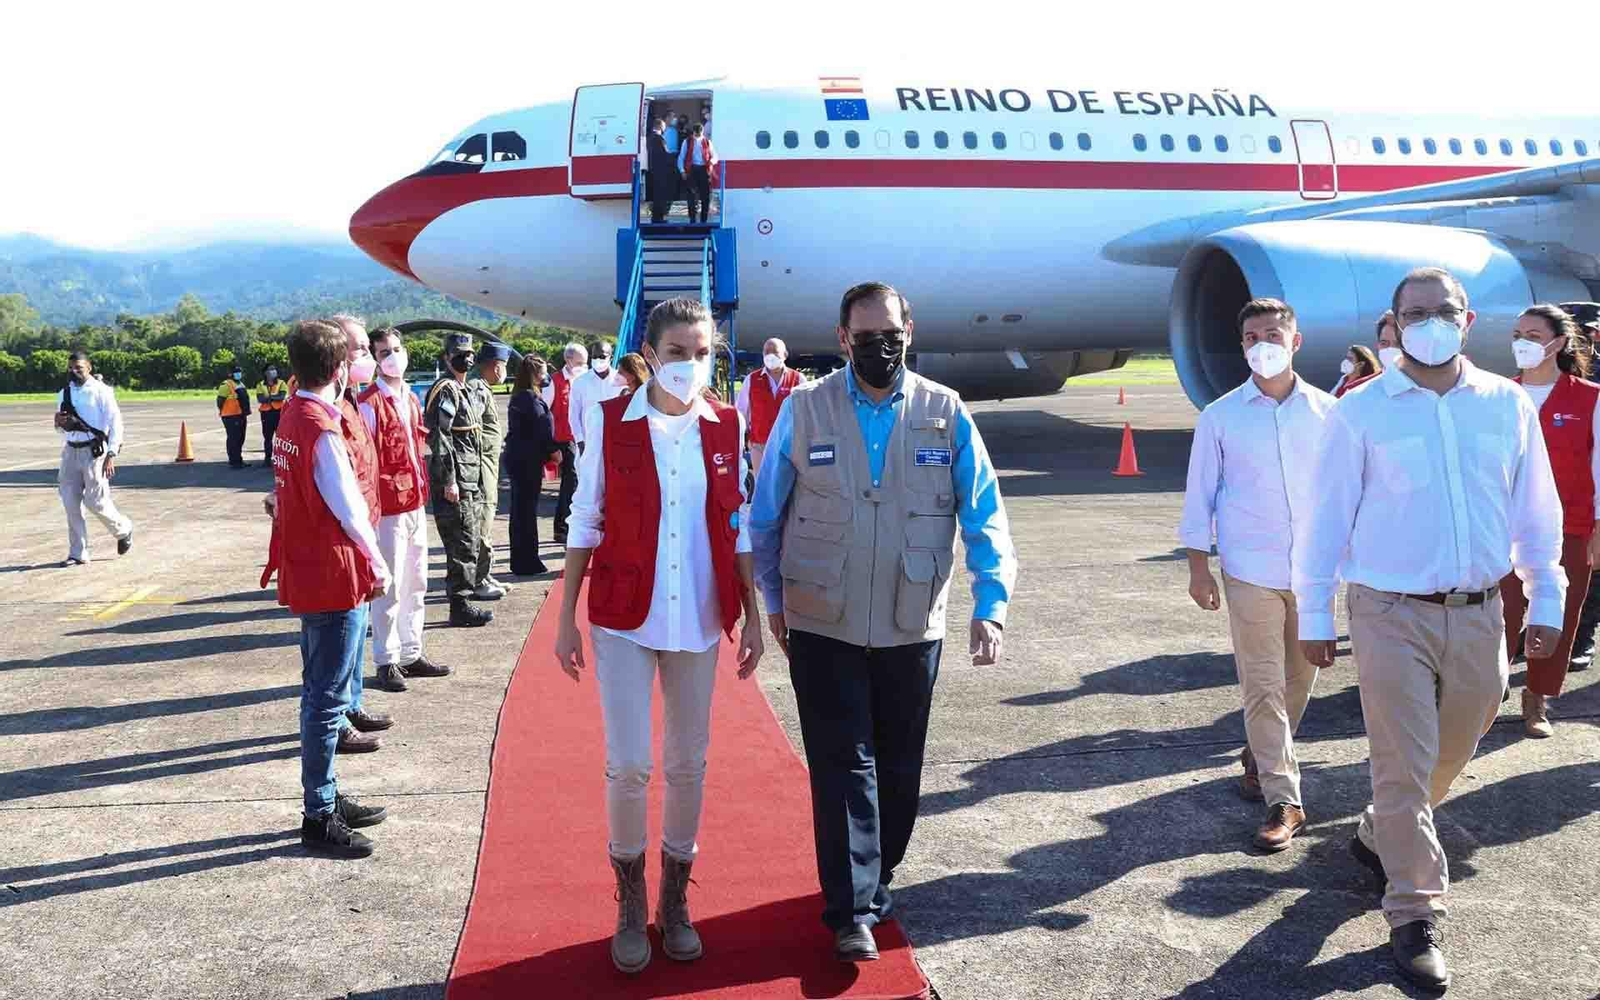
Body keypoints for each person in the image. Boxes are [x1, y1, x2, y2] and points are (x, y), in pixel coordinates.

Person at [1295, 267, 1565, 991]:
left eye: (1442, 311)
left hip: (1481, 612)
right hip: (1388, 613)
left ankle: (1378, 832)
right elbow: (1324, 521)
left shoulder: (1505, 404)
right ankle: (1413, 911)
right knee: (1403, 764)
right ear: (1395, 322)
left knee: (1460, 742)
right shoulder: (1360, 411)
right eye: (1415, 313)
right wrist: (1315, 612)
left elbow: (1536, 511)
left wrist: (1545, 599)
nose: (1429, 323)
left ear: (1467, 320)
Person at [750, 282, 1017, 962]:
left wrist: (991, 605)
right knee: (843, 764)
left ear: (910, 330)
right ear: (843, 341)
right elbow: (764, 513)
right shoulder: (805, 410)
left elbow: (983, 513)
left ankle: (876, 875)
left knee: (898, 768)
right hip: (823, 619)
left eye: (890, 335)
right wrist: (773, 602)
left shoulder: (945, 412)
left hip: (910, 620)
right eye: (866, 338)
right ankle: (852, 908)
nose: (880, 348)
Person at [554, 297, 764, 976]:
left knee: (688, 762)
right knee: (630, 762)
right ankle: (628, 899)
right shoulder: (611, 421)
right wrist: (565, 618)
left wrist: (753, 615)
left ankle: (674, 901)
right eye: (678, 352)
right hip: (623, 614)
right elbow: (585, 518)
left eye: (704, 353)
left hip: (699, 614)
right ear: (649, 353)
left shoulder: (724, 424)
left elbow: (737, 524)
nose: (692, 365)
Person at [1180, 298, 1336, 852]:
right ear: (1242, 345)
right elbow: (1200, 494)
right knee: (1262, 684)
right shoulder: (1220, 416)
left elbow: (1348, 493)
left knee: (1302, 679)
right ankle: (1283, 797)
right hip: (1249, 568)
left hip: (1315, 572)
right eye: (1251, 336)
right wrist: (1199, 567)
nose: (1262, 343)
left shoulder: (1329, 413)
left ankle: (1260, 752)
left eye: (1273, 333)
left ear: (1296, 341)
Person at [263, 318, 392, 858]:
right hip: (335, 573)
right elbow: (349, 506)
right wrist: (378, 562)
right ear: (339, 369)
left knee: (319, 688)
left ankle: (328, 797)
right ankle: (318, 813)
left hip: (309, 568)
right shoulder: (321, 424)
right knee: (327, 698)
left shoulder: (292, 413)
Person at [1502, 304, 1598, 737]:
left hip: (1570, 527)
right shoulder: (1500, 394)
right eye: (1518, 333)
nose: (1522, 342)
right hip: (1504, 526)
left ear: (1558, 343)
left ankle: (1537, 698)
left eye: (1534, 335)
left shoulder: (1590, 397)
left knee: (1557, 614)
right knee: (1496, 614)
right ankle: (1487, 690)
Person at [359, 328, 455, 694]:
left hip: (415, 502)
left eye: (396, 350)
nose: (392, 357)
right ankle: (387, 659)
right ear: (374, 359)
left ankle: (412, 650)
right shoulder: (369, 404)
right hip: (387, 508)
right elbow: (365, 460)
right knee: (391, 586)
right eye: (384, 352)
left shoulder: (411, 398)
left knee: (417, 581)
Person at [325, 315, 392, 752]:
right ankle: (339, 720)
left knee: (360, 628)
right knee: (339, 641)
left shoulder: (349, 399)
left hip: (364, 528)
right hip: (344, 540)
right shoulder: (323, 407)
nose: (365, 356)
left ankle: (353, 704)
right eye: (359, 348)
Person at [424, 334, 495, 627]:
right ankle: (460, 604)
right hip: (457, 482)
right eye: (459, 353)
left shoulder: (464, 388)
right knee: (462, 545)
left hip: (471, 478)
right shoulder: (446, 391)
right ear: (446, 357)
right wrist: (448, 480)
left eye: (469, 353)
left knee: (471, 542)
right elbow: (440, 438)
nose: (465, 358)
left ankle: (463, 600)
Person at [54, 351, 133, 566]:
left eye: (79, 367)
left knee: (95, 501)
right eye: (71, 368)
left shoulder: (101, 391)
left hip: (94, 453)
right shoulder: (64, 393)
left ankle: (123, 529)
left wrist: (112, 453)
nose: (74, 371)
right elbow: (61, 428)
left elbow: (115, 423)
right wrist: (59, 423)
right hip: (70, 452)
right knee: (70, 502)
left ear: (88, 367)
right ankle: (78, 552)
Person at [506, 356, 559, 575]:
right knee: (525, 513)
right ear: (534, 374)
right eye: (543, 372)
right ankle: (526, 562)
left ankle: (523, 559)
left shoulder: (523, 396)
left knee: (522, 511)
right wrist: (553, 451)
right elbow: (541, 428)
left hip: (522, 459)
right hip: (525, 461)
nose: (546, 376)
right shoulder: (528, 399)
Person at [472, 341, 513, 601]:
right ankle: (478, 580)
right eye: (503, 367)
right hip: (480, 466)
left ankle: (485, 575)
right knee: (482, 524)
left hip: (487, 464)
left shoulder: (482, 386)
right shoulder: (477, 388)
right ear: (495, 367)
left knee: (486, 522)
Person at [735, 337, 805, 479]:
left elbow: (805, 413)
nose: (770, 355)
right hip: (759, 445)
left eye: (775, 352)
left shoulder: (798, 379)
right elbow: (741, 412)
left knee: (787, 486)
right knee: (763, 487)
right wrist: (741, 439)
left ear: (784, 355)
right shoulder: (752, 380)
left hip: (788, 444)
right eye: (767, 352)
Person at [542, 342, 587, 542]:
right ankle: (562, 527)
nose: (583, 366)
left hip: (581, 439)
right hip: (564, 440)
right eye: (580, 362)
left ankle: (567, 525)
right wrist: (550, 446)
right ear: (568, 361)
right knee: (571, 483)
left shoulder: (584, 380)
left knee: (576, 484)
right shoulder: (555, 381)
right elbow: (544, 413)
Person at [567, 339, 629, 457]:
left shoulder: (621, 381)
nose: (598, 359)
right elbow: (573, 416)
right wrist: (580, 441)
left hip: (614, 445)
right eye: (595, 356)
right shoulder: (580, 382)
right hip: (588, 447)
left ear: (610, 358)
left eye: (602, 356)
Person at [1339, 311, 1402, 396]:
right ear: (1377, 345)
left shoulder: (1424, 386)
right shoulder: (1357, 391)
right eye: (1384, 343)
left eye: (1397, 343)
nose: (1390, 349)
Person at [677, 123, 717, 224]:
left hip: (704, 169)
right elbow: (681, 157)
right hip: (691, 170)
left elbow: (715, 156)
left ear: (702, 132)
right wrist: (682, 171)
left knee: (705, 196)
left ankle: (704, 219)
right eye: (696, 133)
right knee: (691, 196)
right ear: (693, 132)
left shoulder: (707, 142)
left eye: (700, 133)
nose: (698, 136)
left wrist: (711, 161)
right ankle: (692, 219)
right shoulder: (687, 141)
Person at [217, 364, 253, 469]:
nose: (238, 374)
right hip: (230, 416)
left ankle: (238, 459)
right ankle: (234, 461)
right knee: (234, 438)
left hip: (240, 414)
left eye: (239, 372)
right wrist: (223, 411)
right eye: (236, 372)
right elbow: (220, 401)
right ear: (230, 374)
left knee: (240, 438)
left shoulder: (240, 383)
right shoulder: (226, 385)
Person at [646, 119, 677, 224]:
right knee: (660, 194)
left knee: (656, 194)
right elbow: (665, 155)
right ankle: (658, 218)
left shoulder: (649, 138)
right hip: (661, 170)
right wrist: (676, 155)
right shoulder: (659, 139)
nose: (664, 129)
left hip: (653, 169)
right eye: (663, 126)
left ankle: (656, 217)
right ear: (660, 126)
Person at [256, 366, 289, 462]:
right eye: (270, 370)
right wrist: (274, 397)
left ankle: (281, 458)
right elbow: (260, 399)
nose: (273, 372)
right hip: (266, 413)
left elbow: (281, 397)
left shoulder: (281, 383)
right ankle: (267, 458)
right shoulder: (260, 384)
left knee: (281, 437)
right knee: (267, 437)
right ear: (265, 373)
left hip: (279, 413)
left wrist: (268, 398)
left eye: (274, 369)